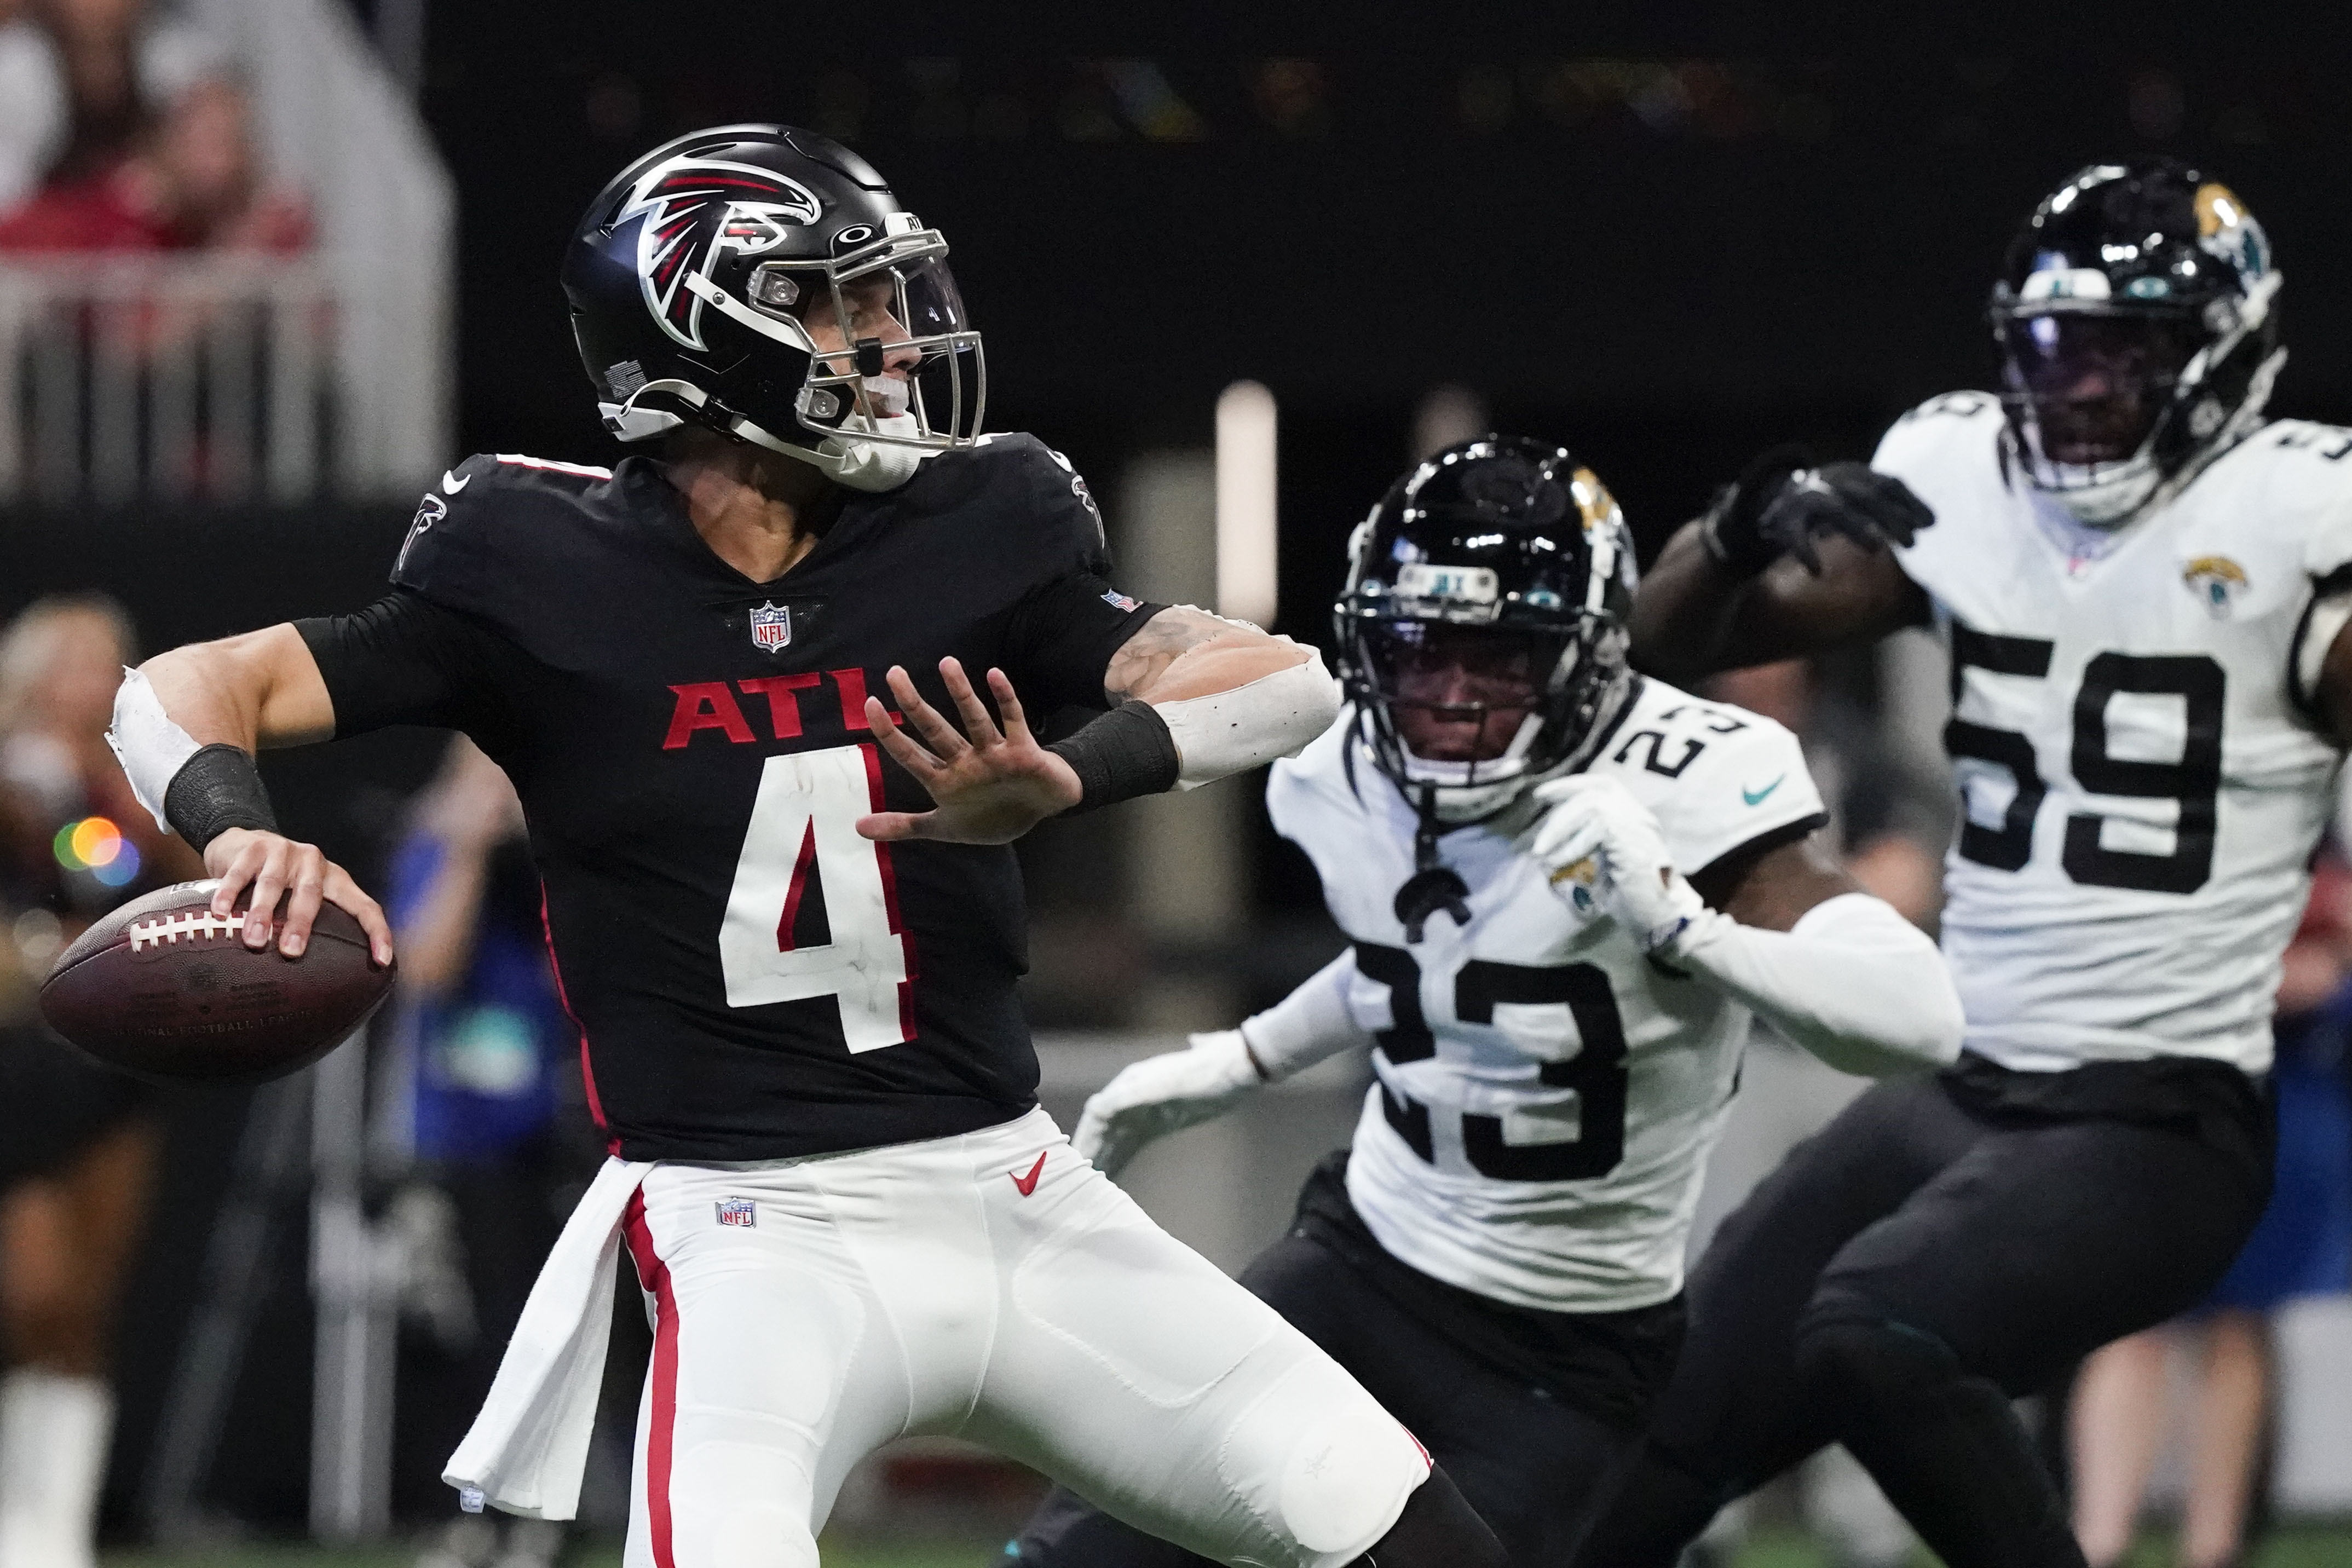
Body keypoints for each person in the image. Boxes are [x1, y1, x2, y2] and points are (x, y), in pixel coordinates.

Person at [105, 125, 1508, 1568]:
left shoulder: (980, 518)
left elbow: (1280, 682)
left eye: (890, 298)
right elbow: (175, 691)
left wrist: (1067, 782)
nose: (895, 338)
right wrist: (238, 837)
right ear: (698, 327)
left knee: (1413, 1538)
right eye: (846, 301)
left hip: (1010, 1196)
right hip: (748, 1232)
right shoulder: (530, 557)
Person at [1570, 159, 2339, 1568]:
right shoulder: (1964, 470)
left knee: (1878, 1335)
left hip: (2156, 1117)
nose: (2084, 386)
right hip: (1963, 1076)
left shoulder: (2299, 514)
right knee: (1663, 1425)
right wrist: (1734, 530)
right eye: (2055, 347)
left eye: (2128, 351)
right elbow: (1673, 642)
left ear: (2225, 357)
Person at [1009, 438, 1964, 1565]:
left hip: (1565, 1348)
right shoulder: (1339, 768)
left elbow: (1918, 1019)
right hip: (1357, 1262)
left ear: (1588, 659)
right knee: (1082, 1557)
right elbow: (1428, 954)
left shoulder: (1685, 781)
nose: (1451, 698)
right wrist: (1241, 1058)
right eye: (1419, 654)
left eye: (1497, 660)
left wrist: (1679, 924)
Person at [2068, 855, 2352, 1568]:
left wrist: (2313, 969)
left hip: (2274, 1095)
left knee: (2237, 1322)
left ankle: (2213, 1545)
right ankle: (2094, 1541)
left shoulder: (2308, 820)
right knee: (2132, 1319)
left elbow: (2329, 960)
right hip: (2151, 1083)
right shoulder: (2151, 813)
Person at [0, 595, 202, 1568]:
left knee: (85, 1303)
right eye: (69, 661)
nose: (88, 681)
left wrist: (114, 788)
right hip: (13, 1063)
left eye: (105, 663)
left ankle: (55, 1539)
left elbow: (174, 883)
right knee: (27, 1295)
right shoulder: (10, 775)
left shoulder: (133, 785)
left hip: (107, 1061)